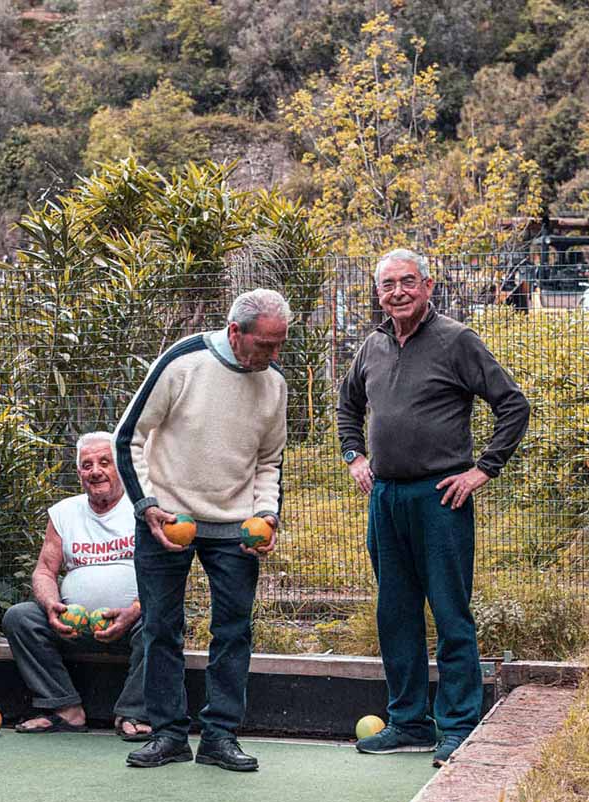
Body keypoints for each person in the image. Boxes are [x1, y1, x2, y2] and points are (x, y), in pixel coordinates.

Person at [337, 249, 530, 768]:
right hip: (386, 499)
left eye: (406, 282)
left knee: (449, 613)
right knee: (395, 614)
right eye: (386, 285)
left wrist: (483, 469)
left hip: (441, 497)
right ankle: (408, 723)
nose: (396, 292)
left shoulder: (457, 340)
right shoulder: (372, 347)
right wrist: (354, 454)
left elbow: (513, 404)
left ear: (427, 286)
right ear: (377, 293)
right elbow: (348, 405)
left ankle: (458, 726)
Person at [114, 289, 289, 772]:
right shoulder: (183, 362)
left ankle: (219, 737)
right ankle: (168, 734)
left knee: (234, 631)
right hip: (168, 521)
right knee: (160, 628)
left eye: (280, 345)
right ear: (236, 332)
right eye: (266, 345)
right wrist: (147, 506)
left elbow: (270, 460)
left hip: (235, 526)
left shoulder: (274, 382)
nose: (275, 356)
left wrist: (268, 513)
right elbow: (127, 437)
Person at [1, 432, 151, 741]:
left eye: (104, 462)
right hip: (73, 627)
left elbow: (163, 576)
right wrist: (52, 607)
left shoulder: (143, 509)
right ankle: (65, 709)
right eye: (87, 465)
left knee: (163, 618)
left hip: (133, 623)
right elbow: (44, 570)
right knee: (20, 617)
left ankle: (133, 713)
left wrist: (134, 610)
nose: (95, 470)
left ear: (120, 466)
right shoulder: (64, 513)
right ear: (79, 473)